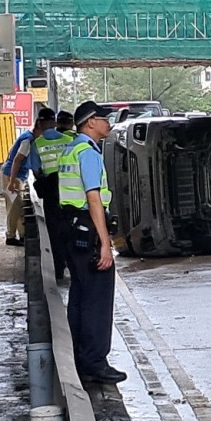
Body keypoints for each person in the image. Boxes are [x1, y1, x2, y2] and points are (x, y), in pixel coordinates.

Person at [58, 101, 126, 384]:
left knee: (80, 295)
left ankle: (78, 355)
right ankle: (95, 362)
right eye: (103, 119)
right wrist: (105, 243)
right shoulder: (87, 153)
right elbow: (93, 198)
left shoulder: (71, 148)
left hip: (71, 227)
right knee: (97, 298)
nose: (108, 123)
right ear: (89, 123)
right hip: (87, 227)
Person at [31, 110, 77, 281]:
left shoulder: (37, 143)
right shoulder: (69, 140)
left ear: (40, 124)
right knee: (72, 229)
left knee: (54, 231)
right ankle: (74, 267)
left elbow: (36, 171)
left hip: (51, 193)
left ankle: (59, 269)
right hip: (71, 191)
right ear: (55, 122)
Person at [1, 111, 52, 247]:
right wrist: (12, 181)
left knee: (19, 207)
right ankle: (11, 236)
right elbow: (17, 160)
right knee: (15, 207)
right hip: (13, 175)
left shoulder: (29, 138)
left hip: (18, 175)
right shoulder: (28, 140)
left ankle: (22, 235)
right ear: (40, 127)